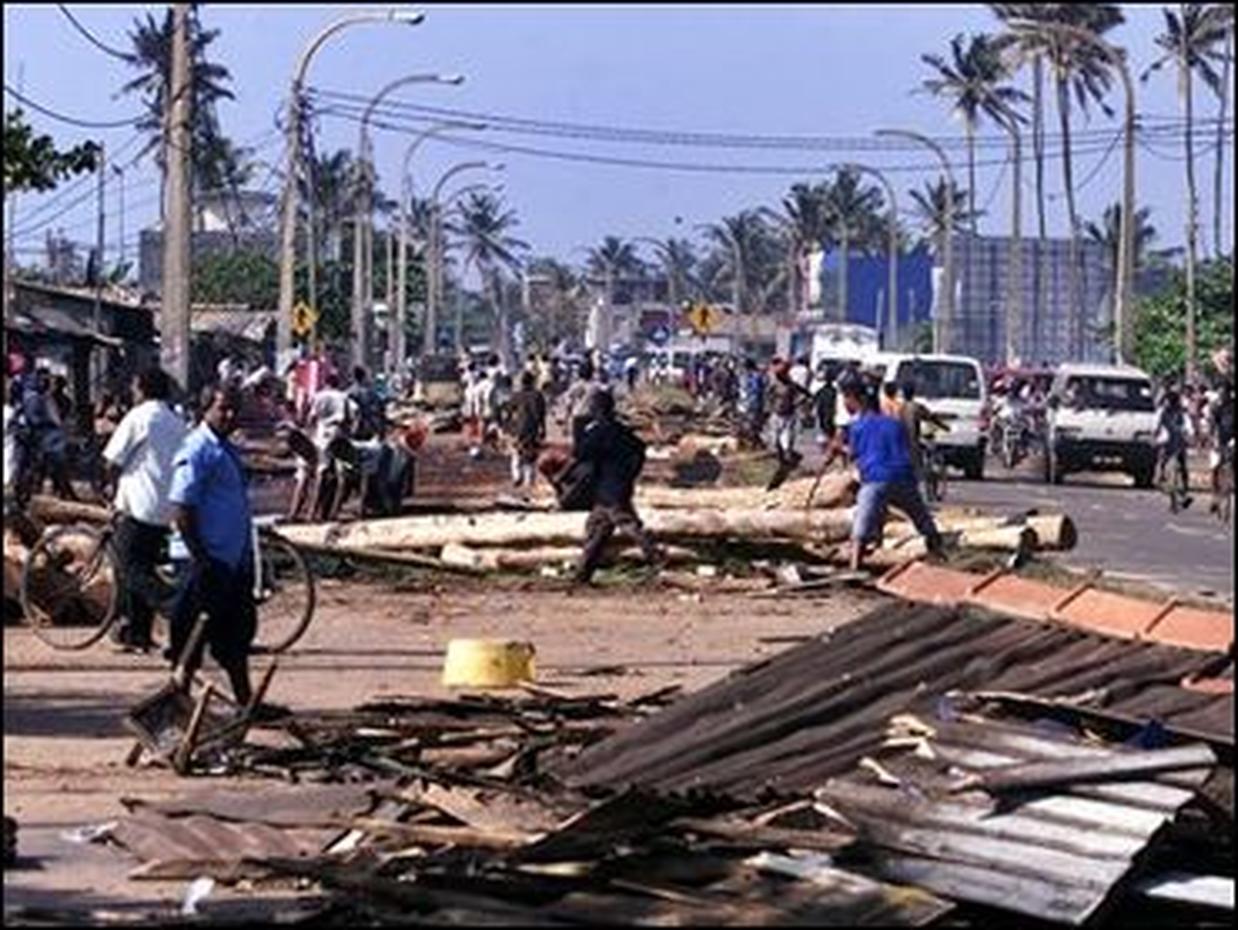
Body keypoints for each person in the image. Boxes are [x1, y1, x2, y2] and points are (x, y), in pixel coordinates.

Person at [167, 385, 257, 706]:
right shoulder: (197, 448)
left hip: (228, 562)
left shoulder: (225, 448)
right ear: (205, 410)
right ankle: (177, 703)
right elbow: (181, 506)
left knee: (234, 636)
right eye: (223, 409)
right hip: (204, 561)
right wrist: (200, 556)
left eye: (234, 409)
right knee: (191, 639)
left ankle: (245, 701)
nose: (229, 416)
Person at [102, 367, 187, 652]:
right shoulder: (176, 421)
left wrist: (109, 486)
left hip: (140, 506)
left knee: (129, 567)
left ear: (142, 388)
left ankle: (176, 605)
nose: (132, 390)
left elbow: (112, 460)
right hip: (166, 508)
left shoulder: (139, 417)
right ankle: (137, 634)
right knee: (143, 564)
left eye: (135, 385)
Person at [823, 380, 943, 571]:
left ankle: (854, 565)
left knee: (861, 524)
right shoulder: (894, 424)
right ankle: (940, 553)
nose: (846, 404)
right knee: (922, 519)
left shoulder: (859, 426)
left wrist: (838, 448)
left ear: (856, 400)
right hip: (904, 477)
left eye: (847, 399)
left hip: (876, 479)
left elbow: (854, 454)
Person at [570, 390, 659, 585]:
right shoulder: (621, 431)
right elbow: (640, 449)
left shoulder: (599, 432)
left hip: (609, 491)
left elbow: (579, 454)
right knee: (596, 529)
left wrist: (579, 429)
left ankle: (658, 559)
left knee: (630, 525)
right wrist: (631, 473)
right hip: (617, 487)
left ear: (597, 410)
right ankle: (582, 575)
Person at [21, 367, 76, 500]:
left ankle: (61, 492)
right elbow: (36, 419)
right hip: (43, 439)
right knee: (41, 468)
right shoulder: (36, 398)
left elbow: (59, 418)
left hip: (51, 439)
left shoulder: (53, 399)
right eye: (44, 380)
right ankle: (31, 495)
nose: (47, 383)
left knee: (54, 467)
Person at [506, 370, 547, 490]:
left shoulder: (516, 395)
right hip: (533, 429)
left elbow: (508, 412)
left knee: (516, 453)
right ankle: (529, 480)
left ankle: (517, 476)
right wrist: (543, 429)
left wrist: (508, 427)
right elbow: (541, 414)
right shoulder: (538, 395)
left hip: (518, 429)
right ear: (533, 381)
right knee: (531, 455)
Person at [1154, 387, 1193, 508]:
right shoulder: (1179, 412)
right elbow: (1188, 427)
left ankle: (1161, 479)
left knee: (1165, 461)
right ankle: (1184, 489)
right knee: (1182, 466)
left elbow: (1157, 427)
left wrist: (1155, 436)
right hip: (1175, 442)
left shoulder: (1165, 412)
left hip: (1171, 442)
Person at [1207, 381, 1233, 513]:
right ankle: (1214, 498)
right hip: (1219, 440)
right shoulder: (1217, 407)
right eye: (1221, 392)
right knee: (1215, 468)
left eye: (1225, 392)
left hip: (1232, 440)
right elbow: (1212, 425)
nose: (1223, 394)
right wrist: (1212, 439)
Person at [348, 366, 386, 442]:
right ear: (364, 377)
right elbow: (378, 410)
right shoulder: (369, 393)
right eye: (368, 376)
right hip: (367, 428)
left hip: (353, 429)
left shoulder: (349, 392)